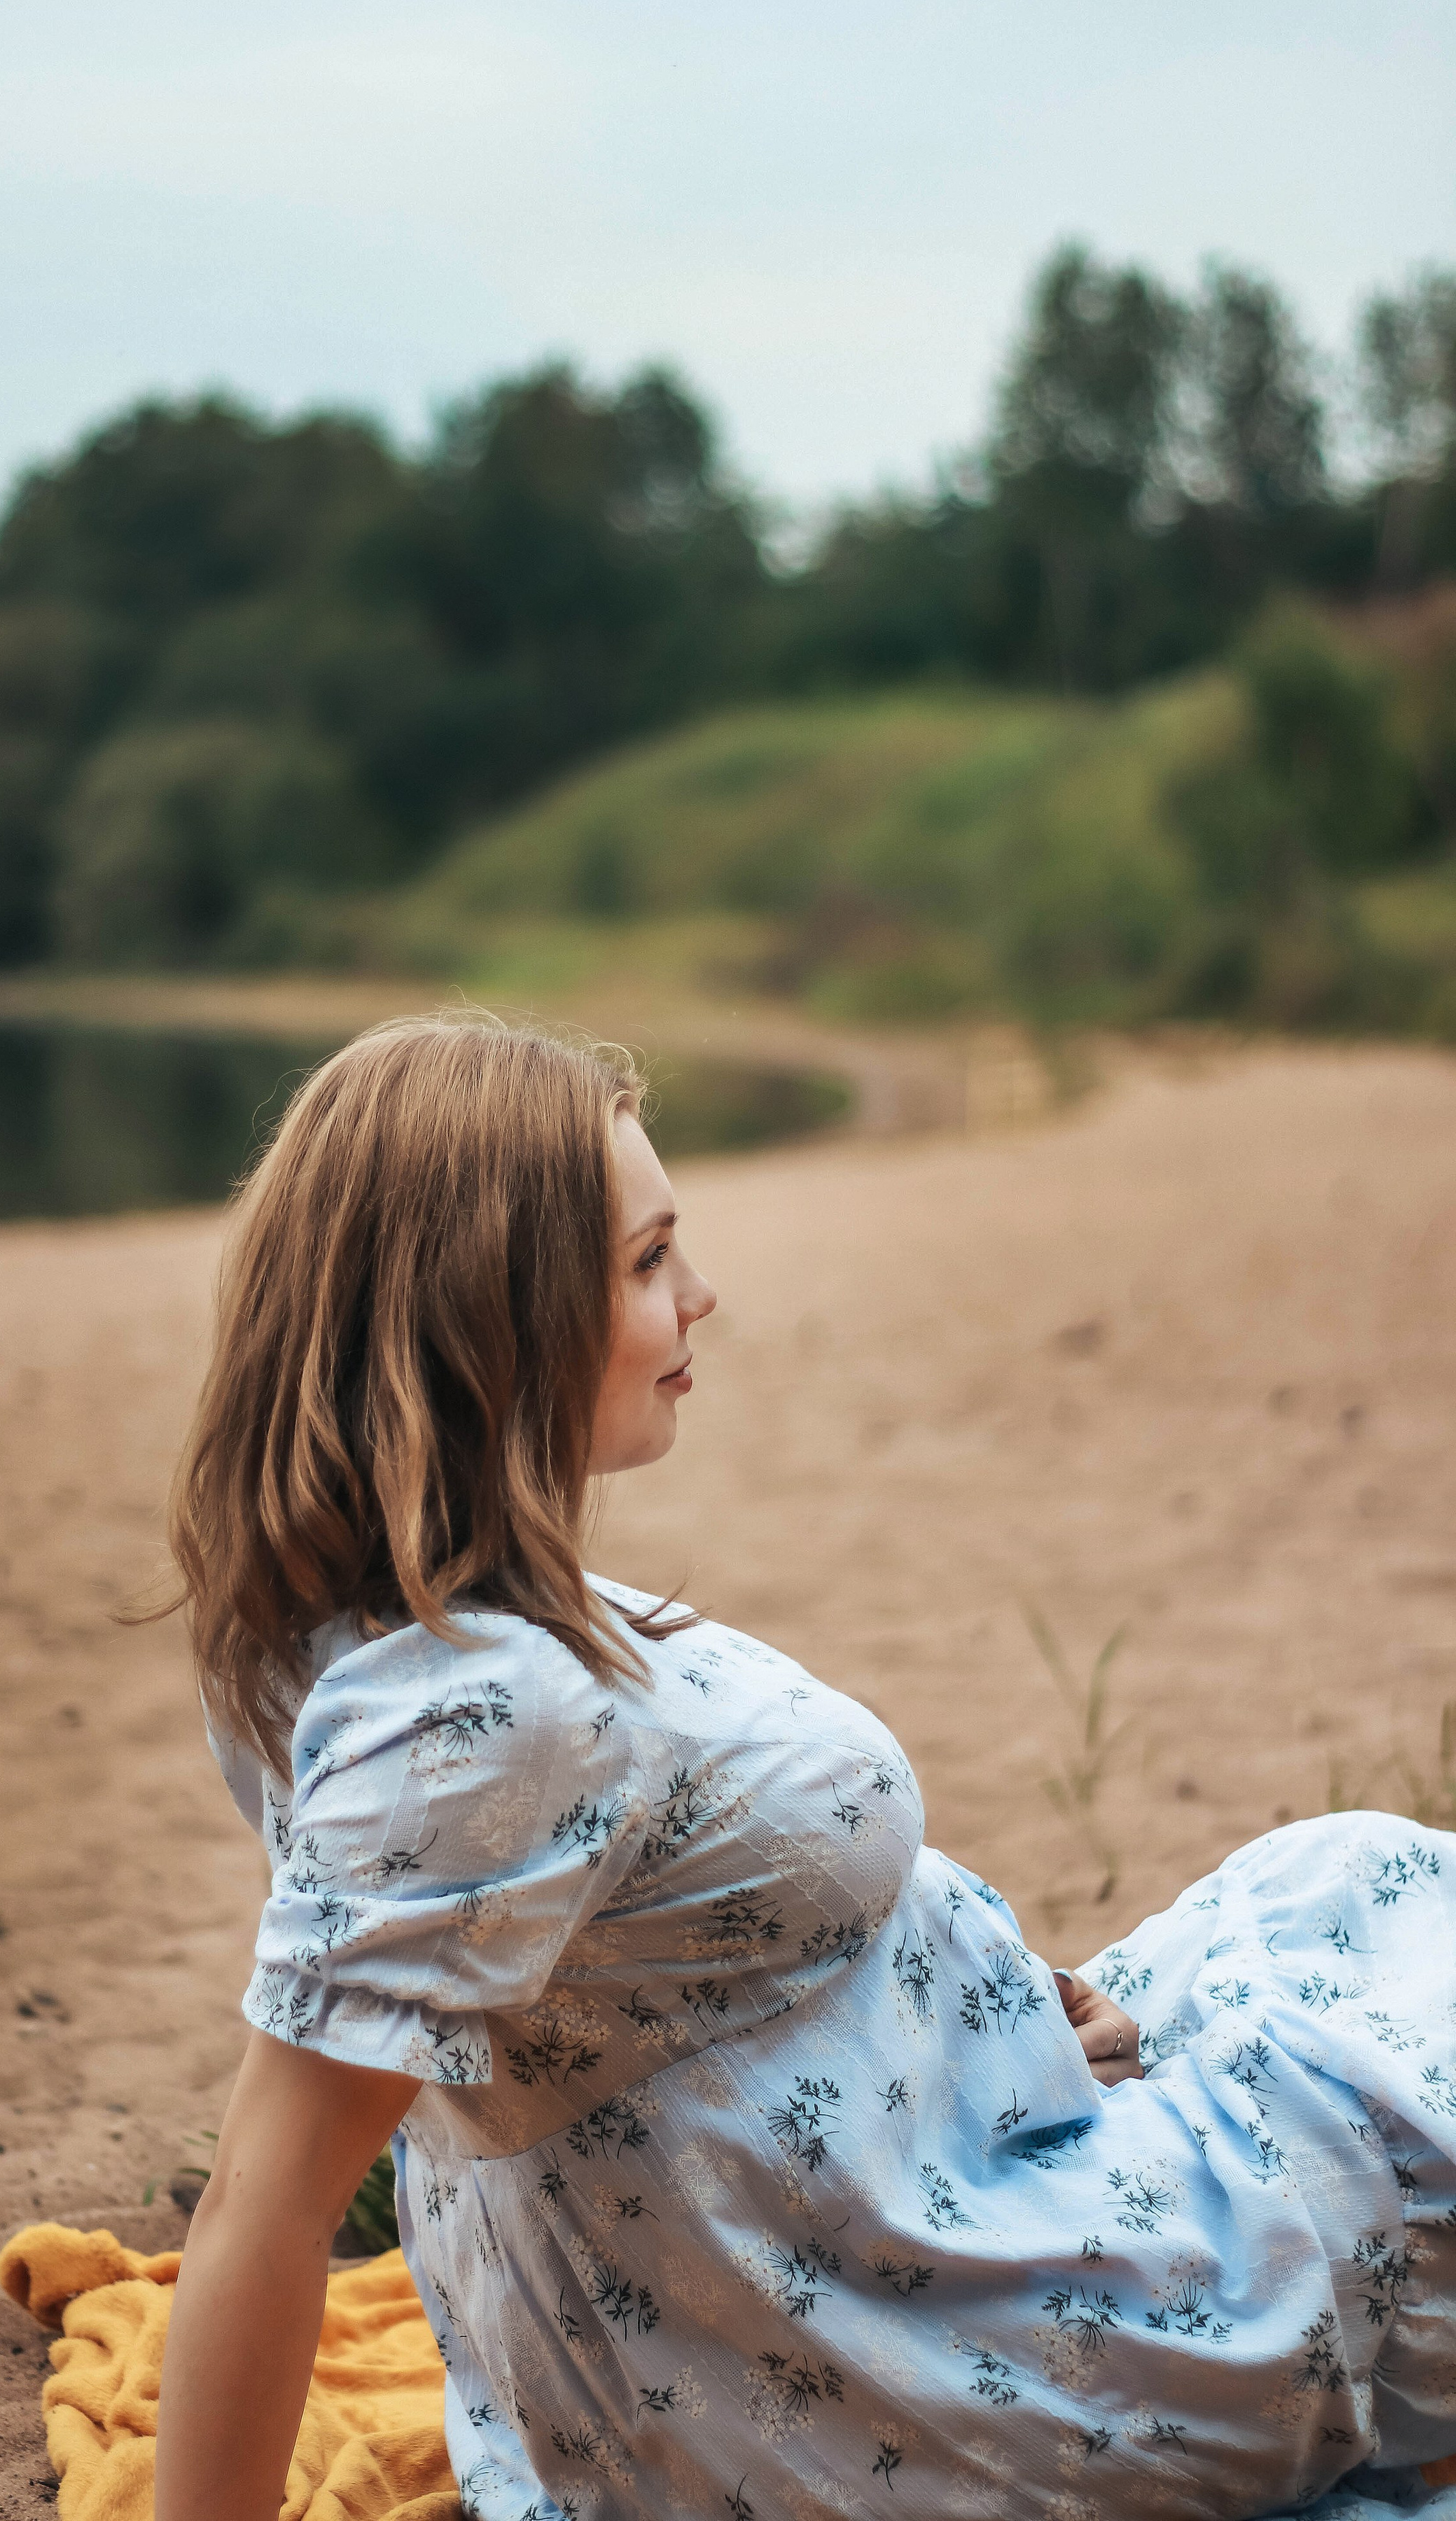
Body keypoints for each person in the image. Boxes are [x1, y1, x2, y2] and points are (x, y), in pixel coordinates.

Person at [153, 1014, 1456, 2521]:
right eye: (645, 1263)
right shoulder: (468, 1716)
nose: (700, 1296)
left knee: (1347, 1885)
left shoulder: (363, 1617)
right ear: (489, 1322)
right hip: (880, 2331)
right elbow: (267, 2198)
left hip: (896, 2182)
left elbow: (623, 1966)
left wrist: (974, 2009)